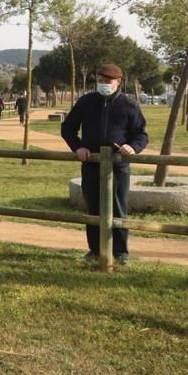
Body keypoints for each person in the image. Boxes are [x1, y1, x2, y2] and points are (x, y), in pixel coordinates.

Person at [61, 63, 148, 265]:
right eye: (99, 81)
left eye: (107, 81)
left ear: (118, 82)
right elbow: (68, 128)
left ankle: (120, 252)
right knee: (93, 208)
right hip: (91, 164)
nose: (102, 85)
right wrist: (78, 147)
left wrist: (133, 147)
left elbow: (141, 135)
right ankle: (94, 250)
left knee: (118, 208)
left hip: (118, 166)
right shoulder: (86, 102)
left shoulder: (129, 105)